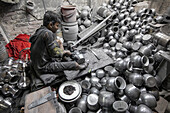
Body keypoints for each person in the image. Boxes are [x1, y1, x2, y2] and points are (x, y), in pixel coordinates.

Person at [29, 11, 87, 86]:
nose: (57, 28)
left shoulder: (40, 30)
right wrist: (63, 52)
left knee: (59, 45)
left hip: (36, 62)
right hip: (42, 66)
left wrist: (61, 48)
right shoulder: (48, 33)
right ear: (50, 25)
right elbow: (55, 54)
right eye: (56, 26)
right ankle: (80, 66)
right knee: (72, 64)